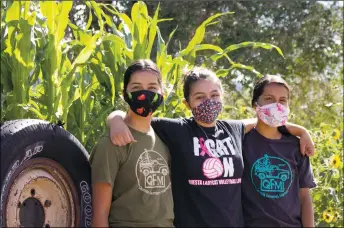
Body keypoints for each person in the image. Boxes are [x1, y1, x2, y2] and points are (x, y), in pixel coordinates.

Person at [107, 67, 314, 227]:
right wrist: (115, 120)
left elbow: (266, 119)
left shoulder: (233, 129)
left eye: (214, 95)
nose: (209, 102)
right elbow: (136, 120)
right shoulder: (178, 130)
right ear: (186, 103)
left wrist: (301, 131)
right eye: (200, 97)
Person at [90, 59, 174, 227]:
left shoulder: (164, 139)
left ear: (162, 92)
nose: (144, 94)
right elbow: (99, 214)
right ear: (124, 93)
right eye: (136, 88)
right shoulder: (112, 143)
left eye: (152, 87)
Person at [241, 75, 316, 227]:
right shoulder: (241, 142)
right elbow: (229, 129)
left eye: (282, 100)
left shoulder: (296, 146)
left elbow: (304, 198)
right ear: (255, 104)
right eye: (269, 99)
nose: (277, 105)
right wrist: (301, 130)